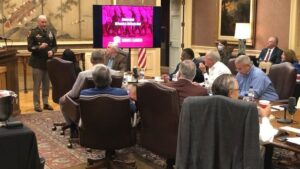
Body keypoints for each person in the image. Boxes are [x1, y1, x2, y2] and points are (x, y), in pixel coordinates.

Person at [59, 50, 120, 126]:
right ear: (104, 59)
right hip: (111, 106)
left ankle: (72, 127)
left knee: (62, 100)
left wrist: (64, 97)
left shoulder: (83, 75)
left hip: (88, 107)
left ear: (91, 60)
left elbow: (74, 94)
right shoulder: (116, 73)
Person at [211, 74, 278, 143]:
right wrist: (265, 117)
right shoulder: (239, 113)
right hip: (237, 152)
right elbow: (266, 138)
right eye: (238, 90)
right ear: (231, 93)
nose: (239, 93)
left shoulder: (207, 111)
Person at [27, 15, 57, 112]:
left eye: (45, 22)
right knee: (37, 85)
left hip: (48, 63)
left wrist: (52, 51)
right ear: (38, 22)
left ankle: (45, 103)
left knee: (46, 85)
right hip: (37, 63)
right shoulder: (33, 33)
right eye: (42, 22)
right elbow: (30, 47)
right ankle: (36, 104)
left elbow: (55, 46)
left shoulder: (50, 32)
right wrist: (39, 47)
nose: (44, 24)